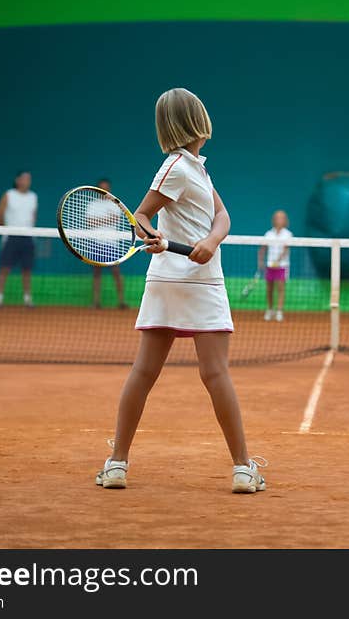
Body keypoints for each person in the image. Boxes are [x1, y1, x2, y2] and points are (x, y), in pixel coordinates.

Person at [95, 87, 266, 494]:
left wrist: (210, 242)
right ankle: (240, 468)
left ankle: (120, 462)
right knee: (167, 371)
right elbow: (140, 215)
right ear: (196, 122)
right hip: (178, 280)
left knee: (195, 373)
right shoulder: (174, 166)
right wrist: (152, 234)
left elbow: (223, 215)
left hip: (197, 278)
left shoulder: (198, 169)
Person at [0, 171, 37, 307]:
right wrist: (4, 231)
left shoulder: (33, 197)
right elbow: (0, 214)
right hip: (11, 236)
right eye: (24, 178)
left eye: (29, 178)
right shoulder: (9, 195)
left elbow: (33, 216)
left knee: (27, 269)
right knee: (4, 268)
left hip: (27, 237)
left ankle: (27, 298)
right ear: (17, 180)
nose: (27, 181)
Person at [87, 178, 127, 309]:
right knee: (96, 272)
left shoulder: (115, 204)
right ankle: (96, 302)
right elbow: (90, 223)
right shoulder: (92, 205)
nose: (104, 190)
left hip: (111, 243)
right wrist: (107, 219)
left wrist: (98, 220)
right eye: (102, 188)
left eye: (106, 188)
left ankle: (121, 301)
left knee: (116, 272)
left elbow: (115, 219)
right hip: (96, 242)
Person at [258, 210, 291, 322]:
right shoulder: (268, 234)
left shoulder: (288, 234)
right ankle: (270, 309)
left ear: (285, 220)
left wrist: (278, 261)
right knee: (269, 289)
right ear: (274, 220)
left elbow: (286, 250)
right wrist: (261, 261)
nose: (279, 220)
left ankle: (279, 311)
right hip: (270, 266)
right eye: (277, 217)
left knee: (281, 288)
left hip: (282, 266)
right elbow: (262, 248)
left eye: (282, 218)